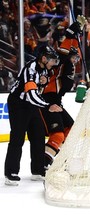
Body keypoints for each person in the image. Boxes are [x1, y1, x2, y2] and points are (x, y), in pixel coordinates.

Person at [4, 45, 62, 186]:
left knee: (38, 134)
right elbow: (31, 95)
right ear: (43, 58)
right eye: (51, 60)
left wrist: (45, 81)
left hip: (31, 104)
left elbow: (41, 85)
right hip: (18, 104)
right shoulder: (30, 69)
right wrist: (48, 106)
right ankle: (10, 172)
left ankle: (37, 170)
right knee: (17, 137)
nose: (53, 63)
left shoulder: (44, 69)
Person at [41, 47, 79, 170]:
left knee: (71, 130)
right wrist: (71, 34)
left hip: (56, 102)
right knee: (58, 135)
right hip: (46, 102)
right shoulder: (56, 67)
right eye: (73, 58)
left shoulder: (67, 68)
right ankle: (43, 163)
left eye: (76, 58)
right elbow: (63, 50)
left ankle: (61, 159)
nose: (74, 61)